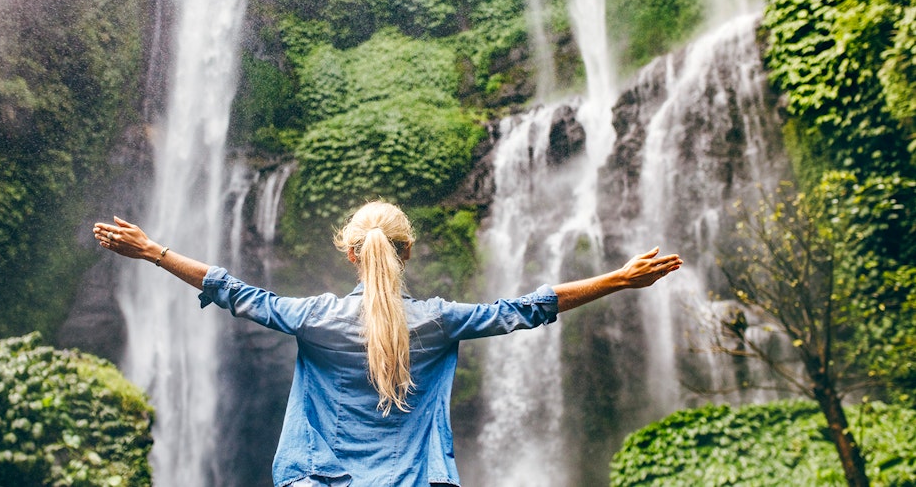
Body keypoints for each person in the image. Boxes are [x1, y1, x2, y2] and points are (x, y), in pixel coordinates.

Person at [94, 200, 681, 487]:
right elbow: (525, 309)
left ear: (350, 253)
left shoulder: (314, 318)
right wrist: (618, 279)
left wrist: (153, 251)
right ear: (407, 253)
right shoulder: (439, 322)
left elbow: (235, 291)